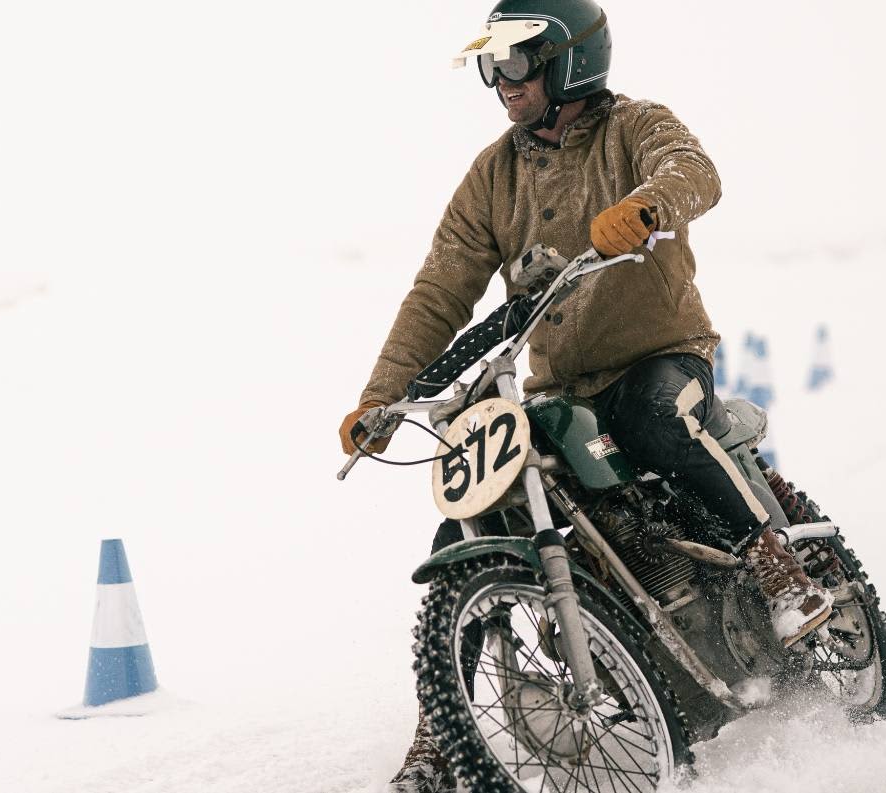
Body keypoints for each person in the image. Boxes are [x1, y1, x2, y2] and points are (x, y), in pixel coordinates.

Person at [337, 3, 833, 790]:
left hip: (659, 355)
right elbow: (441, 286)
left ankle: (778, 563)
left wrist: (646, 207)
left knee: (653, 420)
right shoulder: (493, 174)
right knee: (470, 516)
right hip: (560, 386)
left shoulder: (634, 125)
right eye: (493, 66)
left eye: (518, 63)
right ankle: (444, 725)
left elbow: (692, 171)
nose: (503, 83)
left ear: (569, 61)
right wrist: (380, 398)